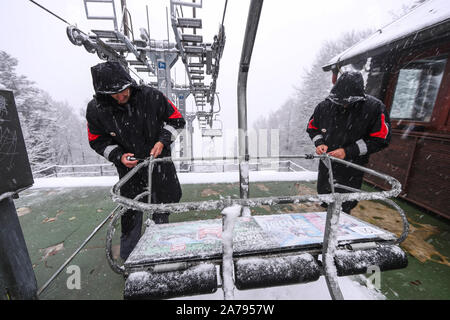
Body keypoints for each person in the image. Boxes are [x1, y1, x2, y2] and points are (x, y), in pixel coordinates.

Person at [86, 61, 185, 260]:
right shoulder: (97, 110)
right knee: (130, 214)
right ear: (104, 95)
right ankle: (130, 260)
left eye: (126, 90)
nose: (123, 96)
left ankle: (161, 253)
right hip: (129, 172)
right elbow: (96, 140)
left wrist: (162, 141)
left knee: (160, 208)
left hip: (158, 166)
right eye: (116, 94)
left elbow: (177, 120)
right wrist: (118, 156)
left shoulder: (152, 97)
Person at [306, 71, 391, 214]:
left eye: (347, 102)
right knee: (326, 199)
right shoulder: (324, 107)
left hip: (352, 166)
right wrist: (320, 143)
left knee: (345, 203)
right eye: (339, 101)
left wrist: (348, 151)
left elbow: (380, 139)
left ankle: (340, 225)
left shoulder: (374, 108)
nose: (343, 105)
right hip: (327, 164)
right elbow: (312, 128)